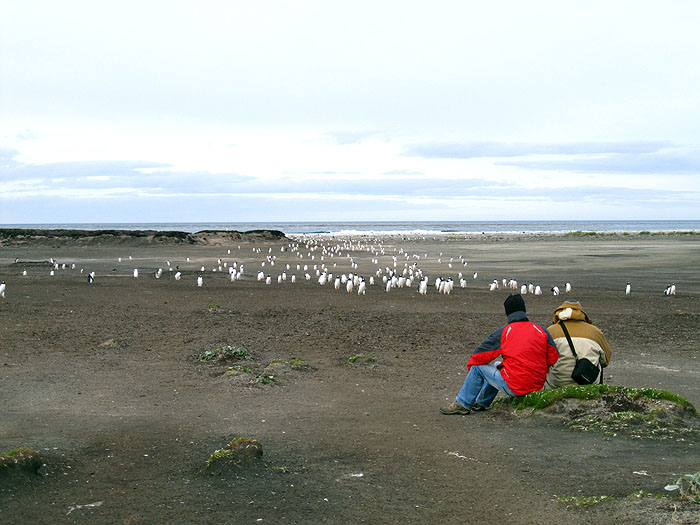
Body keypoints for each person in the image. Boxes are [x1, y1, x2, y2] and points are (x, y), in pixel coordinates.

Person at [441, 294, 559, 415]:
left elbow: (481, 355)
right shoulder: (540, 330)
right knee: (498, 364)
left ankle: (463, 404)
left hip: (516, 386)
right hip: (537, 384)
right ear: (524, 309)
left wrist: (472, 370)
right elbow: (553, 357)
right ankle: (482, 402)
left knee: (478, 367)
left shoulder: (505, 331)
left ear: (507, 312)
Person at [544, 300, 611, 388]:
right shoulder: (595, 332)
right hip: (587, 380)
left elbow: (543, 359)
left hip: (558, 381)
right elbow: (605, 360)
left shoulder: (550, 331)